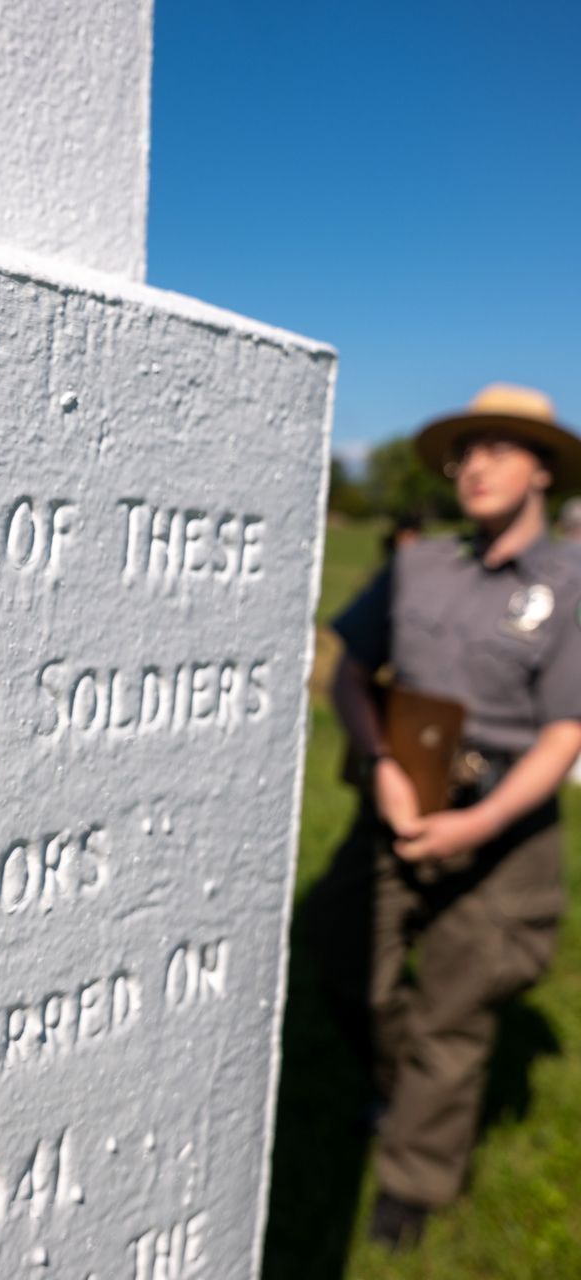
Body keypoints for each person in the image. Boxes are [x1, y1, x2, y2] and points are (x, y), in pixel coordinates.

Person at [307, 383, 581, 1250]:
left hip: (504, 824)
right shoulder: (419, 564)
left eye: (501, 446)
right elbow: (353, 671)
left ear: (542, 468)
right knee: (338, 952)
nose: (475, 464)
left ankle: (414, 1178)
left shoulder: (571, 585)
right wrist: (383, 765)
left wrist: (477, 824)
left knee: (458, 1011)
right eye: (467, 449)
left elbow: (566, 732)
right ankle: (400, 1082)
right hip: (399, 796)